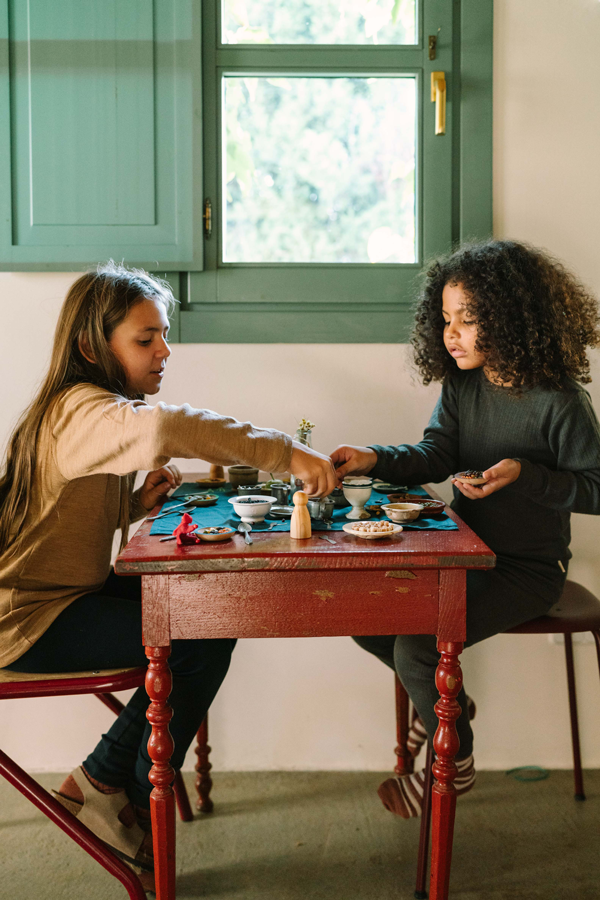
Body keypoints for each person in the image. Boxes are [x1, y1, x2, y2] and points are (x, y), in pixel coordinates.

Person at [0, 262, 336, 890]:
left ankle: (114, 785)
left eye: (163, 335)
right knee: (202, 628)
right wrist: (286, 452)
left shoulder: (82, 410)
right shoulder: (83, 411)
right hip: (28, 618)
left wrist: (132, 506)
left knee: (211, 607)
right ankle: (108, 784)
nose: (165, 350)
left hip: (62, 592)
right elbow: (171, 425)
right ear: (91, 347)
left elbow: (46, 509)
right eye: (145, 338)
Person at [331, 239, 600, 819]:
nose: (452, 333)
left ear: (510, 318)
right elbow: (435, 454)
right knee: (367, 618)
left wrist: (525, 476)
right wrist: (371, 458)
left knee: (417, 648)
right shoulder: (463, 385)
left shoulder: (559, 400)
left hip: (526, 571)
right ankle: (451, 709)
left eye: (469, 320)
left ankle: (456, 760)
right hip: (462, 556)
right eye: (446, 319)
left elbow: (596, 488)